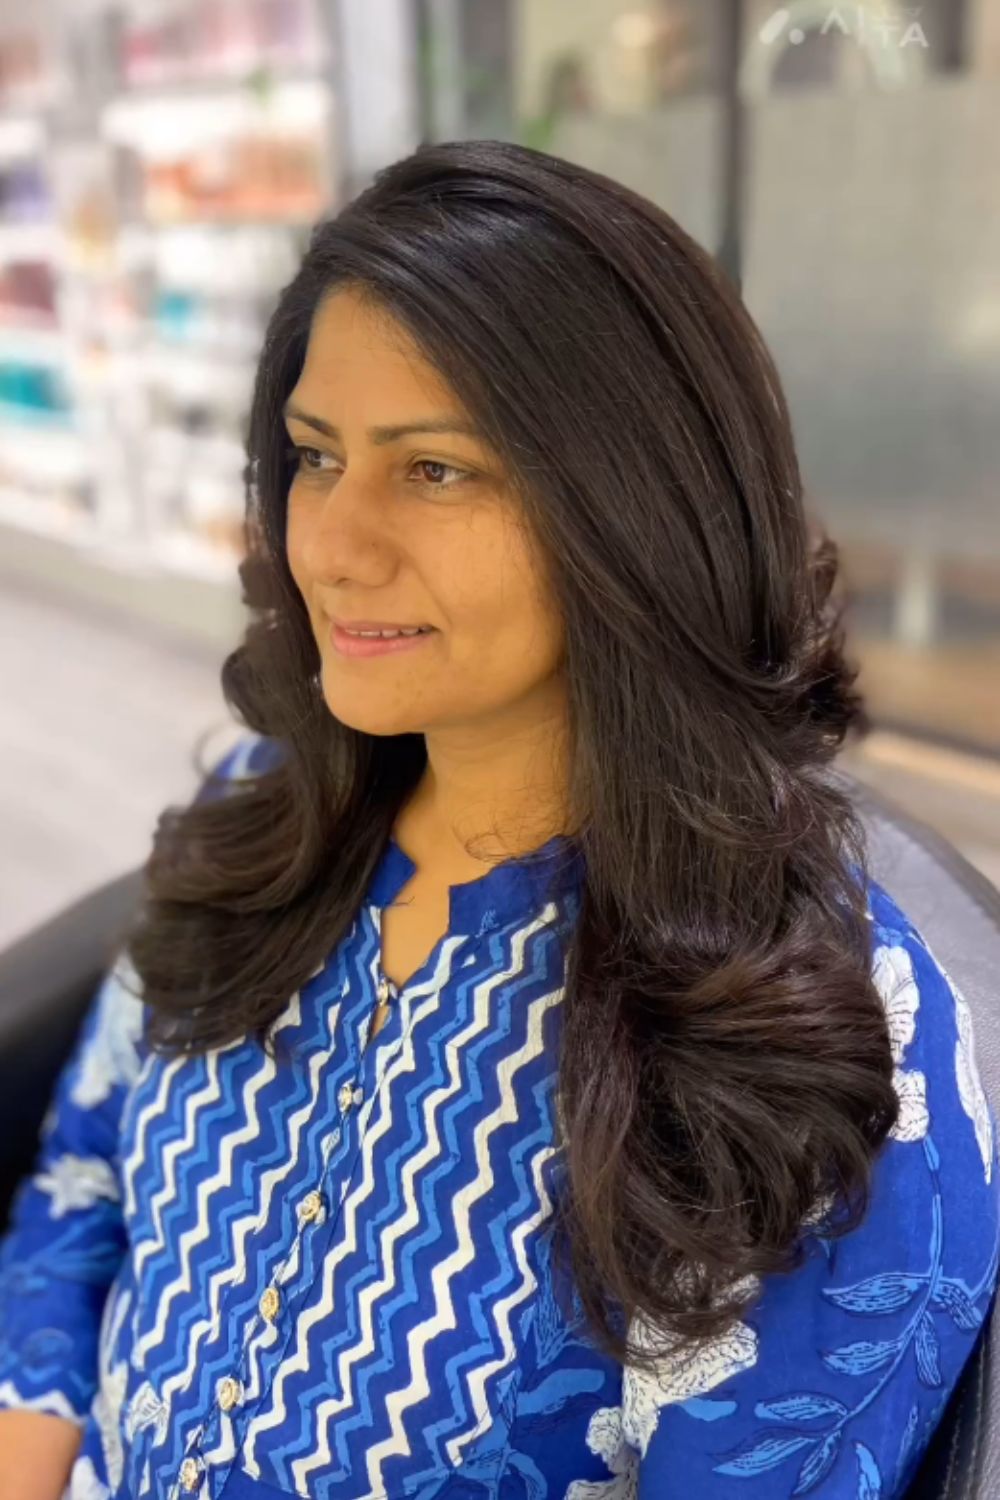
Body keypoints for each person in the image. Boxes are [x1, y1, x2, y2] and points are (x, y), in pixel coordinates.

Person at [0, 137, 997, 1500]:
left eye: (437, 470)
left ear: (636, 514)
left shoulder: (809, 1045)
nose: (331, 544)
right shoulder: (261, 822)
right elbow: (81, 1195)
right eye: (314, 455)